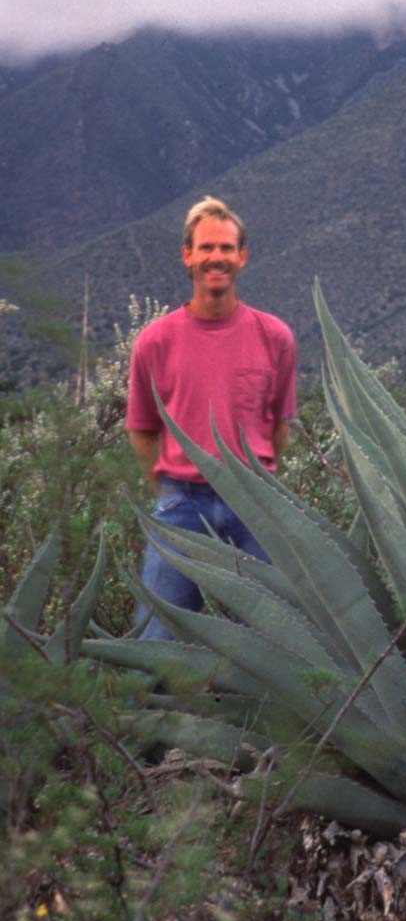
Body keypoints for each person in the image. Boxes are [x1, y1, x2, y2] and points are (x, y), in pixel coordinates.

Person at [125, 196, 296, 639]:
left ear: (242, 256)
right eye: (205, 248)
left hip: (255, 503)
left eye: (225, 248)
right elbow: (142, 429)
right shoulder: (155, 341)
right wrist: (168, 490)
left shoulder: (274, 336)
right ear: (188, 256)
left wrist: (258, 478)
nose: (215, 258)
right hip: (183, 502)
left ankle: (251, 711)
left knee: (275, 639)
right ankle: (149, 709)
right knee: (158, 638)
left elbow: (280, 424)